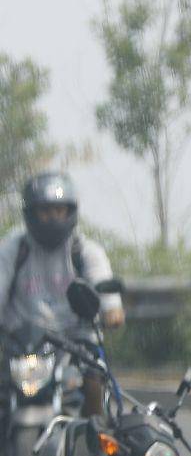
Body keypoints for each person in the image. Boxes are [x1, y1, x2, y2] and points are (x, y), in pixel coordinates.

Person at [0, 171, 125, 417]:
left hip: (74, 343)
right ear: (31, 213)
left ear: (70, 212)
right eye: (44, 211)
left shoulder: (85, 251)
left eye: (58, 211)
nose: (51, 219)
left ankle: (95, 441)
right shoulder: (14, 248)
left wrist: (112, 311)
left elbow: (104, 289)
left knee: (95, 378)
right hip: (21, 344)